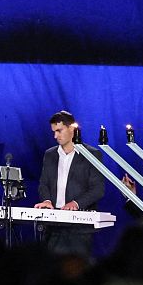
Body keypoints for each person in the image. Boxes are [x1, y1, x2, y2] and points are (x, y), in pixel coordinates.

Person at [34, 110, 105, 258]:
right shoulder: (49, 154)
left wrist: (76, 203)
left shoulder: (91, 154)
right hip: (53, 227)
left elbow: (98, 189)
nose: (55, 136)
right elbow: (43, 183)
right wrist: (46, 200)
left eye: (59, 131)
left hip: (79, 229)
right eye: (53, 132)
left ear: (72, 128)